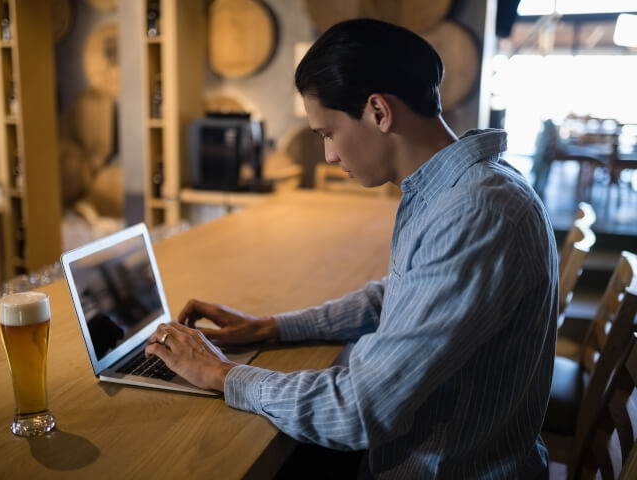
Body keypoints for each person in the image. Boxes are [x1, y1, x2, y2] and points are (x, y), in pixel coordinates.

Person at [146, 19, 558, 479]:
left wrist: (221, 375)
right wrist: (271, 327)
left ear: (379, 112)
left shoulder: (478, 210)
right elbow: (398, 297)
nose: (329, 155)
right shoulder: (453, 190)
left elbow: (359, 409)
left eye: (327, 134)